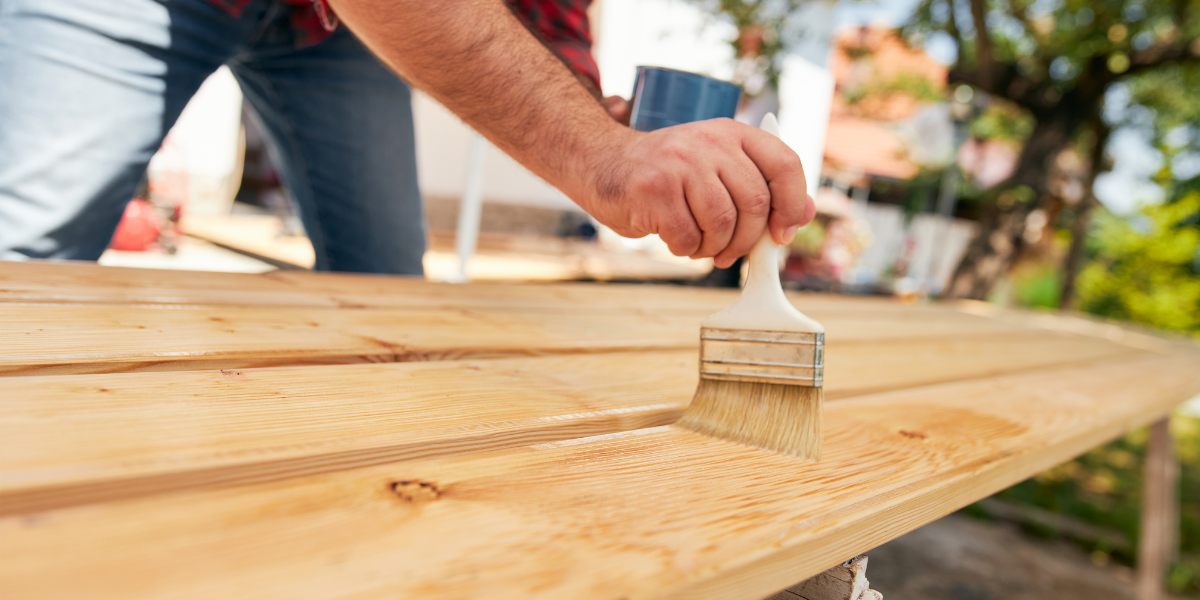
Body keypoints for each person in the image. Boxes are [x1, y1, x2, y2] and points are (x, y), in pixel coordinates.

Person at [0, 0, 815, 274]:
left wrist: (599, 122)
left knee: (386, 279)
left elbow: (550, 16)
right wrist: (602, 159)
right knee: (25, 252)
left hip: (328, 30)